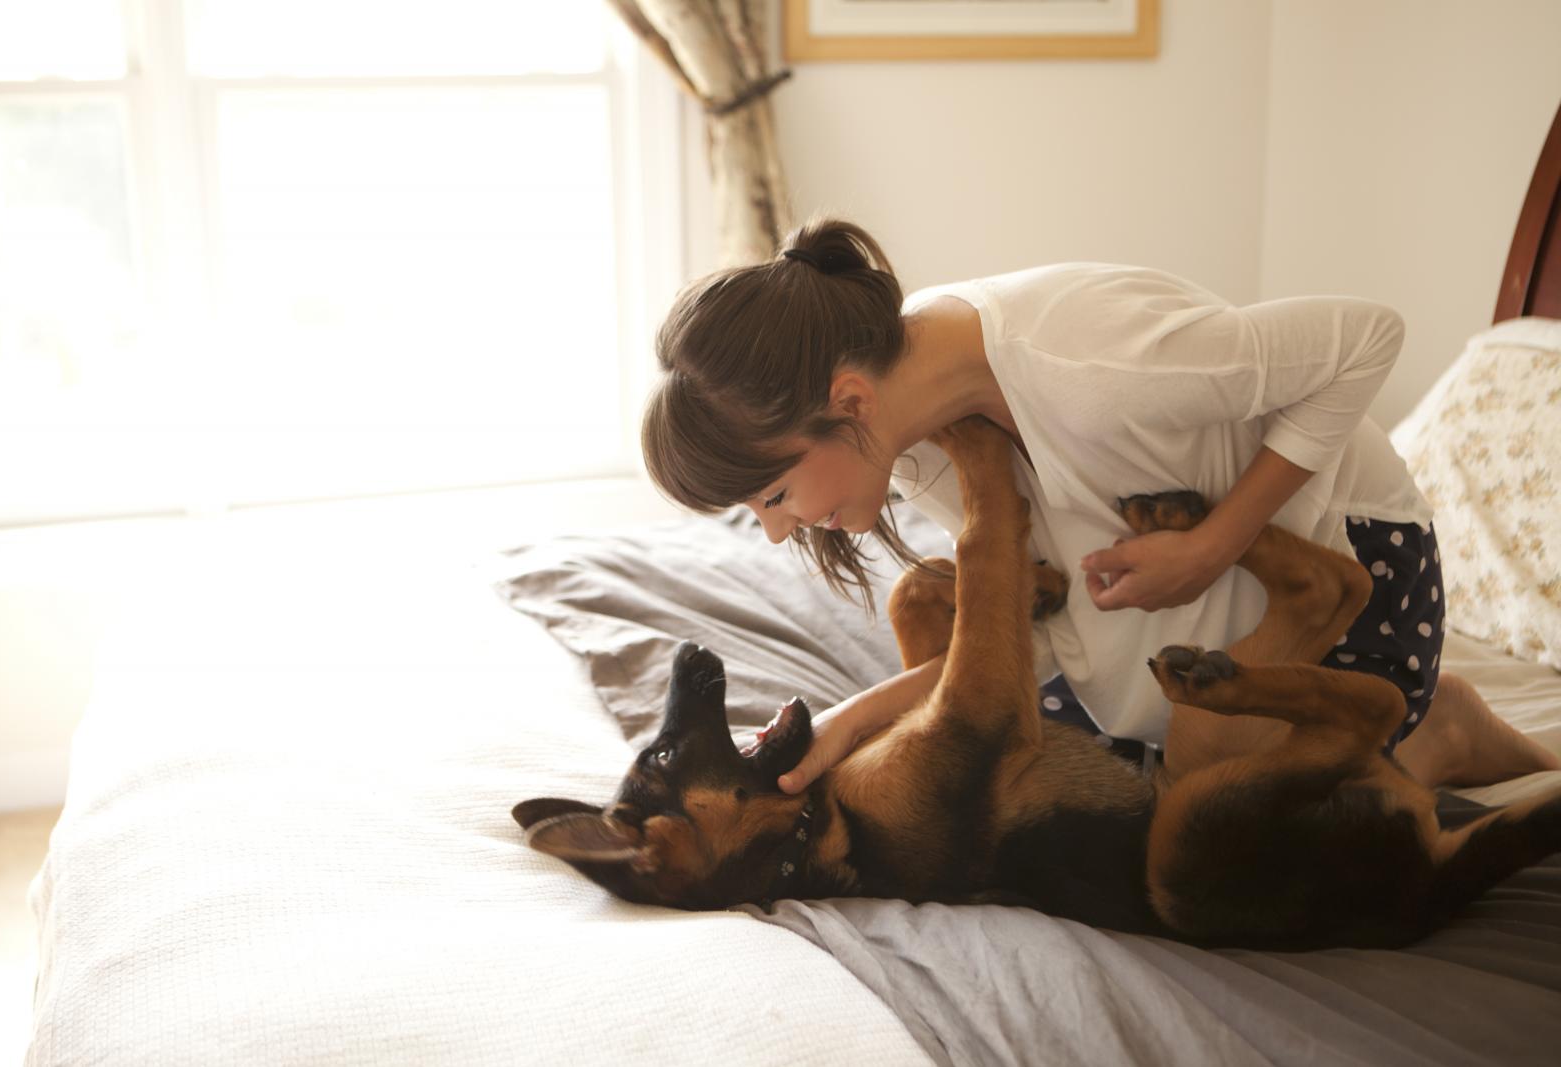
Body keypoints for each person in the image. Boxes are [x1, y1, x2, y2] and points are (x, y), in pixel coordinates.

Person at [640, 217, 1559, 794]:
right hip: (1178, 622)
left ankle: (1429, 733)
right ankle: (1434, 738)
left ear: (847, 400)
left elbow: (1365, 339)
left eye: (772, 495)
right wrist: (850, 722)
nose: (777, 529)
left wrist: (1212, 543)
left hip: (1353, 579)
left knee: (1214, 828)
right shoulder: (914, 431)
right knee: (1056, 772)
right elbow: (1046, 630)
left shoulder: (1090, 365)